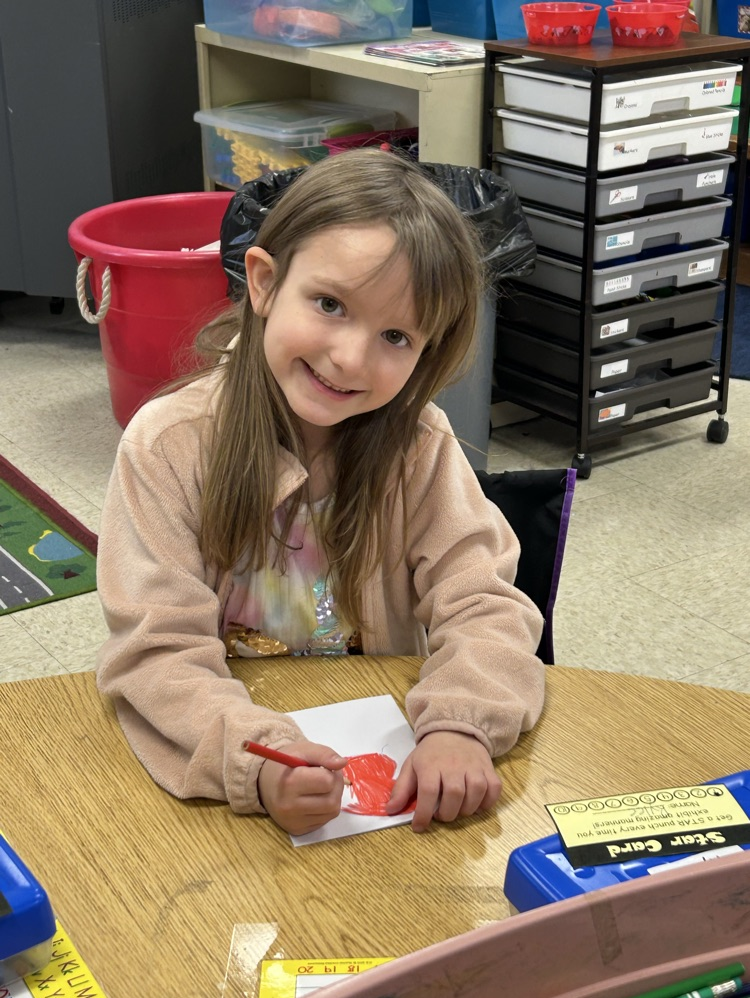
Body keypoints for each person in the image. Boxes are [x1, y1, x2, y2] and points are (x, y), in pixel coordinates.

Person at [95, 149, 545, 838]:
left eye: (396, 336)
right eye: (330, 304)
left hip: (382, 773)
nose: (350, 358)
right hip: (225, 766)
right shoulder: (167, 446)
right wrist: (256, 759)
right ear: (264, 282)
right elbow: (157, 653)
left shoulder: (421, 443)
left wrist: (461, 723)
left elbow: (483, 604)